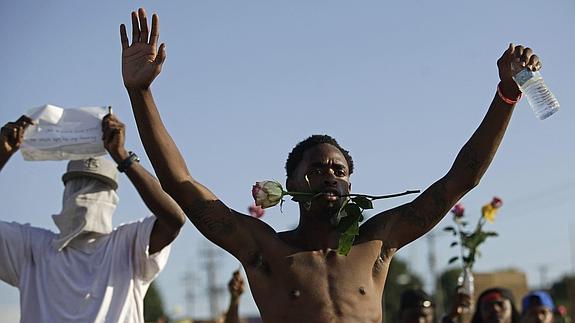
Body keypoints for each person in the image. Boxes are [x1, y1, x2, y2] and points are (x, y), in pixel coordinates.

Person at [120, 7, 542, 323]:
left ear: (351, 186)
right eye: (317, 169)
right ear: (288, 184)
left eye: (339, 171)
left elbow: (459, 180)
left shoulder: (378, 243)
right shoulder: (265, 250)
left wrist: (506, 95)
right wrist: (141, 94)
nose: (329, 176)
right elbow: (180, 183)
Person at [0, 112, 185, 322]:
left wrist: (123, 157)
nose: (85, 196)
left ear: (111, 195)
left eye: (98, 187)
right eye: (78, 185)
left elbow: (174, 219)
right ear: (67, 191)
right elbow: (174, 220)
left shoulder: (129, 245)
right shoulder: (30, 249)